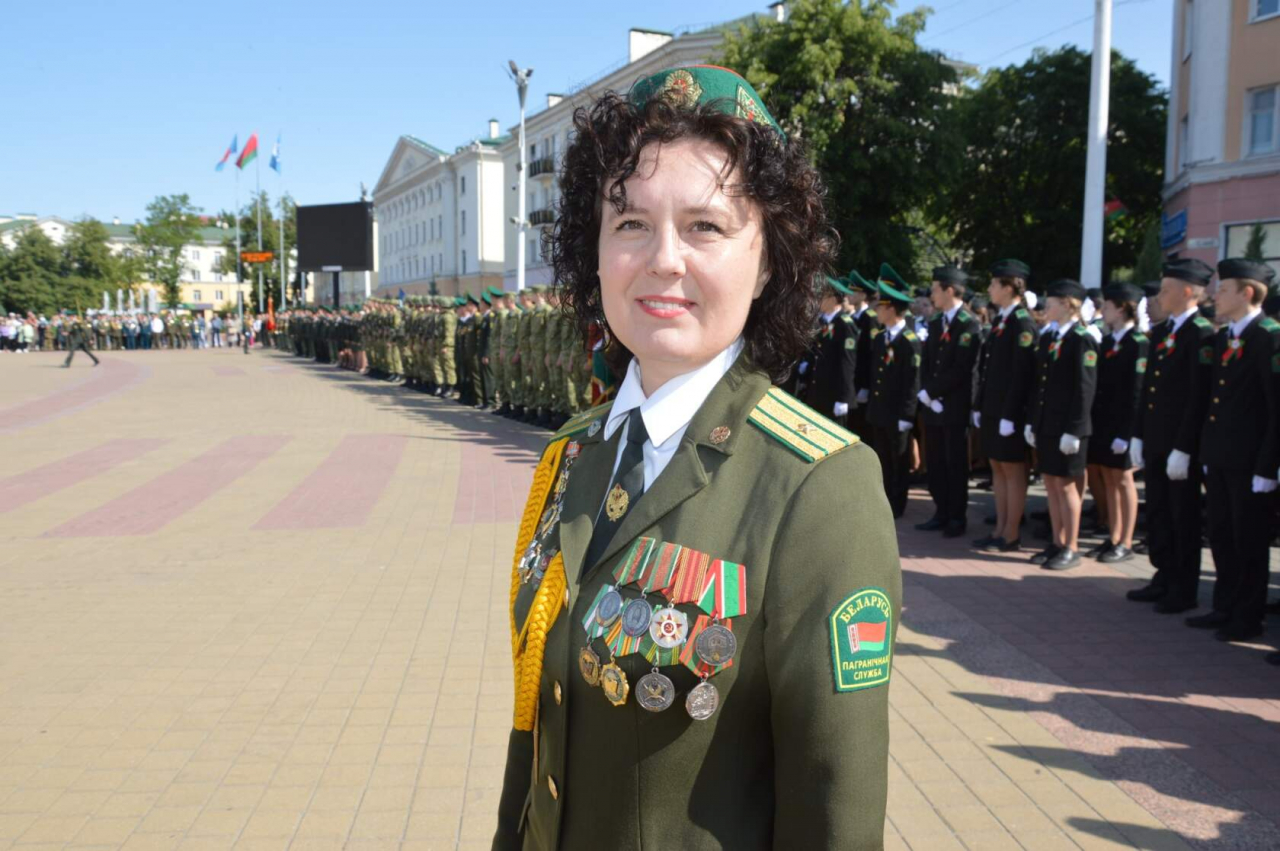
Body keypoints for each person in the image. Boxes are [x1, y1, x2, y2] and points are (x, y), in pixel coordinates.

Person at [493, 66, 900, 851]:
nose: (663, 259)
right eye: (630, 222)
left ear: (769, 258)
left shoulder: (819, 488)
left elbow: (833, 809)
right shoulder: (572, 455)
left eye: (706, 226)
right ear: (594, 248)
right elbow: (535, 739)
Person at [1197, 259, 1279, 643]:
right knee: (1222, 534)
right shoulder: (1228, 335)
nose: (1216, 295)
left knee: (1249, 541)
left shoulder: (1268, 336)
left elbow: (1275, 407)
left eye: (1224, 289)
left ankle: (1248, 615)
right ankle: (1225, 605)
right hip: (1222, 456)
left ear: (1246, 293)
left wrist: (1267, 465)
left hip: (1250, 461)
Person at [1129, 259, 1215, 613]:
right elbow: (1148, 388)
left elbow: (1198, 396)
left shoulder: (1202, 333)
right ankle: (1163, 575)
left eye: (1165, 290)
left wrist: (1184, 447)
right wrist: (1138, 434)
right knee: (1159, 512)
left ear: (1187, 292)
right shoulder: (1164, 331)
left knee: (1183, 516)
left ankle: (1183, 587)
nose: (1158, 297)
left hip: (1180, 444)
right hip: (1156, 439)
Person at [1026, 279, 1097, 570]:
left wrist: (1075, 430)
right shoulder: (1050, 337)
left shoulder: (1082, 339)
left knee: (1067, 488)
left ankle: (1072, 546)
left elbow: (1085, 389)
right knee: (1052, 485)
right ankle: (1057, 541)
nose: (1047, 307)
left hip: (1068, 428)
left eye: (1052, 302)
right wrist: (1033, 422)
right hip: (1048, 425)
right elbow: (1040, 385)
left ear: (1068, 304)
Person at [972, 259, 1037, 552]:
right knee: (997, 467)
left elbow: (1022, 374)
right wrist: (980, 404)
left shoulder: (1022, 322)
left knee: (1012, 470)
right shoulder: (1003, 320)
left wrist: (1010, 414)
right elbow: (989, 369)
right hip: (993, 408)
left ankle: (1011, 534)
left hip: (1009, 412)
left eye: (994, 284)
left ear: (1009, 287)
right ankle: (1000, 528)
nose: (989, 289)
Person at [915, 265, 981, 538]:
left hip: (954, 405)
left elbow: (962, 368)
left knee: (955, 463)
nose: (932, 295)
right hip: (933, 404)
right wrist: (927, 393)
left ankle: (956, 517)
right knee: (936, 461)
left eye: (935, 290)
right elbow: (928, 362)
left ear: (950, 290)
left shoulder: (968, 324)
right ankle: (940, 511)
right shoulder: (935, 322)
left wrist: (933, 392)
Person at [1085, 283, 1148, 563]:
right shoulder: (1110, 341)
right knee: (1109, 479)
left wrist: (1128, 433)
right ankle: (1113, 535)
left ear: (1121, 309)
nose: (1104, 311)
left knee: (1123, 480)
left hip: (1123, 426)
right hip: (1105, 422)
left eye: (1108, 307)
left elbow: (1137, 392)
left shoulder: (1139, 343)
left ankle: (1125, 542)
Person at [865, 280, 921, 517]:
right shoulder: (881, 337)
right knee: (883, 459)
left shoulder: (909, 341)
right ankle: (884, 500)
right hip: (880, 410)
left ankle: (897, 505)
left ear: (891, 309)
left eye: (881, 306)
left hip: (897, 413)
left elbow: (912, 382)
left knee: (898, 461)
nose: (876, 310)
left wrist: (907, 415)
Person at [803, 276, 858, 426]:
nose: (818, 299)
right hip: (818, 391)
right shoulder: (823, 321)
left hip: (833, 395)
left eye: (822, 295)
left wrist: (843, 398)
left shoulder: (845, 325)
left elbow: (847, 363)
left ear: (833, 299)